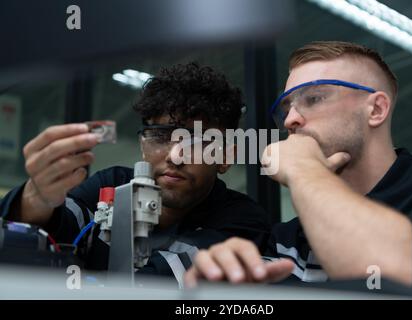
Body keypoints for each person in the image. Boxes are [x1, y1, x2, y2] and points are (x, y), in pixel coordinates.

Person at [183, 41, 412, 295]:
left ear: (376, 110)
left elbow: (397, 274)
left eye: (314, 98)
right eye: (286, 108)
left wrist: (303, 168)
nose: (291, 120)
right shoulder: (286, 242)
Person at [0, 62, 270, 286]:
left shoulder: (243, 224)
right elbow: (54, 227)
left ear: (225, 157)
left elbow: (156, 286)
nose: (174, 155)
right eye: (160, 137)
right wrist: (37, 198)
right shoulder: (111, 185)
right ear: (143, 146)